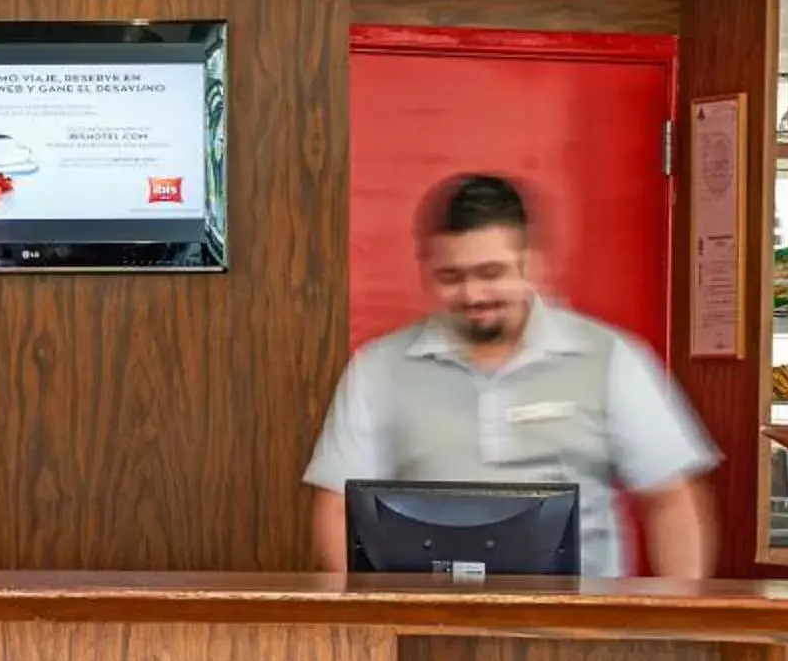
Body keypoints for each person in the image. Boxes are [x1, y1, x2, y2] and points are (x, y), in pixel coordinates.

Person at [305, 172, 719, 578]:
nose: (472, 295)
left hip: (584, 633)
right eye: (451, 277)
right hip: (426, 626)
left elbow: (672, 500)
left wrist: (678, 618)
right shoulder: (377, 369)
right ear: (426, 270)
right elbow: (335, 505)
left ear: (531, 265)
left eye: (491, 273)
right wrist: (369, 621)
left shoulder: (611, 357)